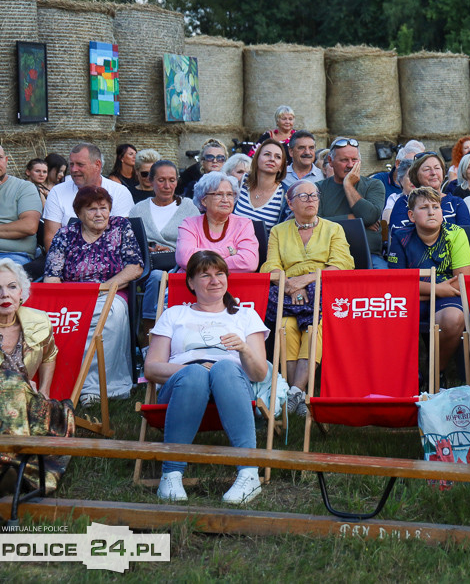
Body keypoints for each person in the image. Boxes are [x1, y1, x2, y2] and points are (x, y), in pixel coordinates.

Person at [145, 250, 270, 505]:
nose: (215, 280)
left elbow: (259, 373)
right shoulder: (174, 315)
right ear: (190, 282)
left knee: (224, 367)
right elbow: (152, 368)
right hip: (182, 386)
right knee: (194, 374)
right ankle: (171, 475)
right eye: (206, 275)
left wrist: (243, 349)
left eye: (220, 273)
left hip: (231, 384)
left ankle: (248, 473)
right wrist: (198, 368)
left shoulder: (245, 316)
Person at [262, 181, 354, 416]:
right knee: (286, 326)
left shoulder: (333, 229)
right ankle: (300, 396)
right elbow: (271, 267)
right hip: (289, 291)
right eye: (304, 196)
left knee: (315, 327)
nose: (311, 199)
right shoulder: (278, 231)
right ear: (290, 203)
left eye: (314, 195)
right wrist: (292, 287)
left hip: (324, 292)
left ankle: (293, 392)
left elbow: (342, 265)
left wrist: (306, 281)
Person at [44, 186, 142, 404]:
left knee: (109, 312)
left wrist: (102, 289)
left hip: (110, 292)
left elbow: (134, 266)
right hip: (72, 297)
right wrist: (64, 298)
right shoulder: (65, 234)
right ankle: (62, 382)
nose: (99, 214)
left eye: (103, 208)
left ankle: (96, 387)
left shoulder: (120, 227)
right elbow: (52, 275)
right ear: (79, 214)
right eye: (92, 209)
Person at [0, 259, 74, 491]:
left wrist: (44, 390)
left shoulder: (39, 321)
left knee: (55, 412)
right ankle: (18, 472)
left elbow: (49, 355)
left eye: (12, 287)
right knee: (11, 382)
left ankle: (8, 473)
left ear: (21, 292)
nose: (5, 294)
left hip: (27, 401)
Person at [388, 186, 470, 374]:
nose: (431, 212)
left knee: (453, 318)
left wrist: (419, 291)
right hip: (419, 297)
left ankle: (436, 371)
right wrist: (438, 289)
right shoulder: (400, 237)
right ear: (411, 215)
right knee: (389, 315)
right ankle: (406, 374)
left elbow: (460, 284)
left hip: (439, 297)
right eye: (424, 207)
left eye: (436, 207)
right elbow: (396, 285)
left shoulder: (456, 233)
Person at [130, 160, 199, 331]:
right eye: (161, 180)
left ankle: (149, 327)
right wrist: (148, 250)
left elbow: (197, 239)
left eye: (172, 180)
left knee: (158, 277)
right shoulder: (138, 209)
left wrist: (173, 250)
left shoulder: (189, 207)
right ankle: (149, 329)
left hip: (181, 265)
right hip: (148, 266)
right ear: (151, 181)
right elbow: (130, 243)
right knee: (156, 276)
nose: (167, 185)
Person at [42, 143, 133, 249]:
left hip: (109, 258)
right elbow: (51, 238)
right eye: (71, 164)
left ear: (97, 165)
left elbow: (122, 237)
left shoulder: (119, 192)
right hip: (66, 259)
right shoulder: (57, 192)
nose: (74, 169)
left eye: (80, 164)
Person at [316, 137, 387, 268]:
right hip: (327, 255)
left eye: (354, 160)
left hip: (369, 255)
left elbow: (370, 216)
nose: (350, 165)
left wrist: (348, 185)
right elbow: (315, 224)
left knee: (382, 279)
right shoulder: (318, 188)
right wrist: (354, 220)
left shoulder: (374, 184)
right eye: (344, 160)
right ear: (330, 161)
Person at [176, 173, 259, 273]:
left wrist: (201, 261)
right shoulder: (189, 224)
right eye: (218, 194)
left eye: (229, 194)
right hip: (193, 286)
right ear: (204, 200)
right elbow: (185, 258)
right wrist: (228, 251)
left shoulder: (244, 224)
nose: (225, 200)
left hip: (233, 285)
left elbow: (249, 263)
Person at [0, 141, 42, 266]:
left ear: (6, 160)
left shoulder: (24, 187)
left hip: (13, 255)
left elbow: (29, 226)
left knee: (1, 279)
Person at [387, 152, 470, 235]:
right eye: (427, 169)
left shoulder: (457, 203)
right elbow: (398, 235)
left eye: (437, 168)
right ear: (416, 175)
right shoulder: (404, 202)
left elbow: (466, 237)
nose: (433, 173)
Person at [382, 159, 415, 224]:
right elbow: (386, 222)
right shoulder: (394, 198)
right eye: (410, 176)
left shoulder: (427, 198)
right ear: (401, 180)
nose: (414, 180)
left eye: (417, 177)